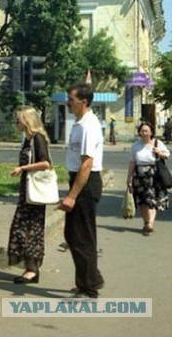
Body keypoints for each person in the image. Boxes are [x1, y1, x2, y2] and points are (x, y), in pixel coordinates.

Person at [59, 82, 105, 299]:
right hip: (78, 181)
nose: (68, 104)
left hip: (85, 183)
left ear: (83, 102)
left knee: (82, 237)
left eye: (71, 100)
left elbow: (86, 164)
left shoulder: (89, 126)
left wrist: (72, 195)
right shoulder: (80, 123)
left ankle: (89, 288)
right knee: (72, 234)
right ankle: (90, 278)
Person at [7, 106, 52, 284]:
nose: (16, 123)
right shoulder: (27, 140)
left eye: (18, 120)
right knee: (21, 229)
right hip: (26, 191)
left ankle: (32, 270)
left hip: (35, 193)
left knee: (31, 230)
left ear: (27, 121)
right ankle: (30, 267)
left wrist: (22, 168)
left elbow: (45, 163)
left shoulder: (38, 139)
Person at [126, 122, 170, 236]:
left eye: (146, 131)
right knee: (142, 202)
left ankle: (150, 223)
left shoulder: (157, 143)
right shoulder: (135, 146)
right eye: (142, 131)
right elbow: (132, 162)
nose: (144, 133)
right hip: (139, 176)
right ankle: (146, 222)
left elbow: (167, 155)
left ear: (151, 132)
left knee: (151, 200)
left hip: (153, 176)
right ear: (139, 132)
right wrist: (129, 178)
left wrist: (159, 152)